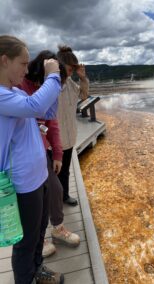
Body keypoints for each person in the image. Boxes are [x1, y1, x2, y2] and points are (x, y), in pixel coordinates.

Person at [0, 35, 64, 284]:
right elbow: (36, 106)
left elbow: (46, 110)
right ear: (4, 61)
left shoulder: (14, 91)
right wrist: (53, 75)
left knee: (38, 234)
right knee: (25, 242)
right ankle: (26, 278)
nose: (26, 70)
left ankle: (38, 272)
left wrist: (54, 85)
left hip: (39, 176)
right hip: (23, 183)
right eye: (23, 64)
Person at [21, 50, 80, 258]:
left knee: (55, 188)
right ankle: (39, 237)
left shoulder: (43, 87)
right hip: (20, 153)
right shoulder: (20, 86)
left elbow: (51, 122)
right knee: (33, 197)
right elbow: (34, 108)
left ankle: (57, 228)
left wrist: (57, 154)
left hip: (40, 149)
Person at [56, 45, 89, 206]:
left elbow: (83, 96)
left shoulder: (70, 83)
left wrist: (82, 78)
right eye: (71, 68)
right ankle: (53, 201)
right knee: (52, 172)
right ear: (60, 66)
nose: (72, 72)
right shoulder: (50, 85)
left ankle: (65, 196)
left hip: (69, 137)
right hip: (53, 140)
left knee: (65, 170)